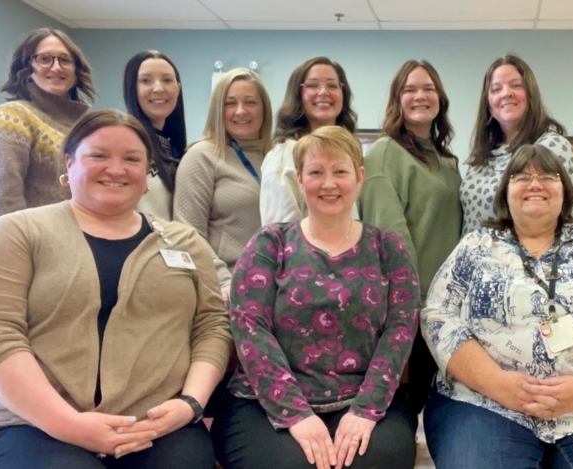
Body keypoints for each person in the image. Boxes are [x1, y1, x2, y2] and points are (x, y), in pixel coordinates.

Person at [0, 109, 232, 469]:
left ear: (147, 174)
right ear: (68, 164)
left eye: (131, 159)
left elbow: (211, 326)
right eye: (99, 155)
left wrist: (190, 404)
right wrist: (68, 424)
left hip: (157, 422)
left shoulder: (186, 242)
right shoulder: (15, 233)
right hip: (26, 422)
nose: (116, 169)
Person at [422, 144, 573, 468]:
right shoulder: (475, 247)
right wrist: (497, 383)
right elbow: (439, 315)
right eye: (522, 177)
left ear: (565, 191)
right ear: (505, 191)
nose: (535, 184)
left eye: (547, 176)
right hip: (485, 403)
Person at [212, 126, 420, 469]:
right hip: (264, 402)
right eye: (316, 172)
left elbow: (400, 331)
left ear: (359, 177)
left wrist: (366, 410)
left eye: (340, 171)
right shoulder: (270, 244)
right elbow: (250, 328)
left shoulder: (388, 248)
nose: (328, 183)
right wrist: (295, 414)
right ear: (299, 179)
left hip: (365, 397)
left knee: (377, 459)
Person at [358, 59, 462, 418]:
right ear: (397, 100)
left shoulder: (447, 160)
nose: (421, 96)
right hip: (412, 303)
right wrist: (413, 302)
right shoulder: (386, 153)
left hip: (450, 303)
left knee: (440, 401)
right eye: (410, 89)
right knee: (407, 406)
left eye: (429, 88)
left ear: (440, 98)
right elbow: (390, 237)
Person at [0, 27, 94, 254]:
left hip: (69, 252)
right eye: (44, 59)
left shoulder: (84, 127)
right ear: (26, 67)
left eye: (65, 60)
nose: (56, 67)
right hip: (17, 257)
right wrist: (29, 256)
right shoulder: (9, 119)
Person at [174, 68, 273, 299]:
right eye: (230, 103)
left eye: (250, 102)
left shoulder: (275, 156)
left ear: (264, 108)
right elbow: (188, 232)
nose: (241, 111)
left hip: (276, 287)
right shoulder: (202, 156)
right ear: (218, 109)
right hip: (228, 289)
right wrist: (226, 282)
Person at [460, 54, 573, 235]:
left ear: (531, 93)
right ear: (487, 102)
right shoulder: (482, 156)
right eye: (495, 89)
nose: (506, 93)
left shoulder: (552, 147)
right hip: (472, 258)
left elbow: (565, 223)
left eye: (516, 85)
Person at [260, 56, 358, 225]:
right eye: (312, 85)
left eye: (332, 85)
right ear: (297, 96)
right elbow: (280, 236)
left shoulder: (346, 153)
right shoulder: (285, 155)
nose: (323, 92)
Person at [123, 50, 187, 220]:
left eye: (167, 80)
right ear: (131, 88)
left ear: (177, 89)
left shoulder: (174, 147)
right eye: (146, 80)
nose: (158, 88)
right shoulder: (124, 143)